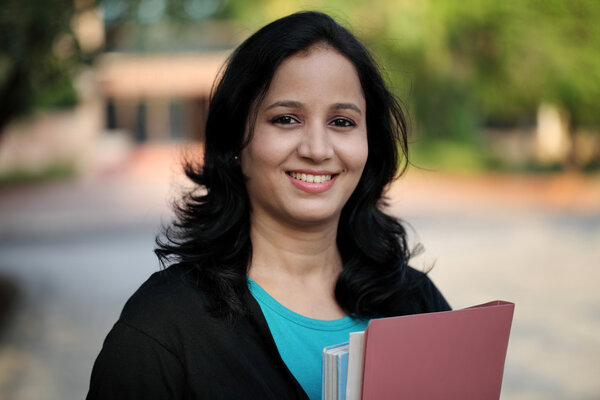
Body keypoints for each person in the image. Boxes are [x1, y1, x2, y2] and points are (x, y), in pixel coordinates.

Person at [87, 11, 450, 400]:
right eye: (287, 119)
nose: (316, 149)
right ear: (235, 142)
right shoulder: (163, 327)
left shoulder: (416, 302)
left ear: (369, 145)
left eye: (342, 122)